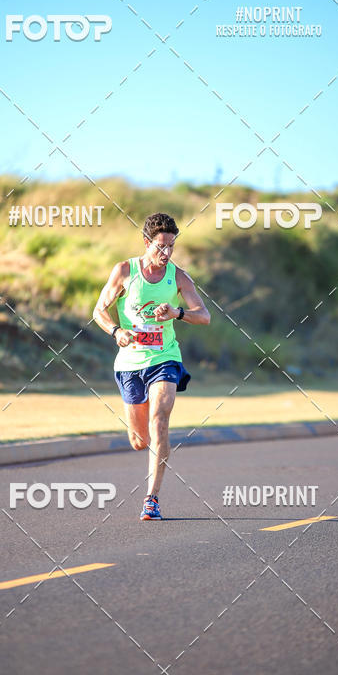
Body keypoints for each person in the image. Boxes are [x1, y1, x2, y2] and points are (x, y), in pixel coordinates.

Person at [92, 212, 210, 520]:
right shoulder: (124, 271)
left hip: (165, 358)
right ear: (147, 242)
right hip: (130, 363)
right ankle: (140, 438)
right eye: (161, 246)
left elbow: (204, 316)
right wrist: (117, 331)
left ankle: (151, 499)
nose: (167, 253)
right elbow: (99, 310)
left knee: (160, 420)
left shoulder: (178, 276)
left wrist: (177, 312)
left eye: (171, 246)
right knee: (139, 441)